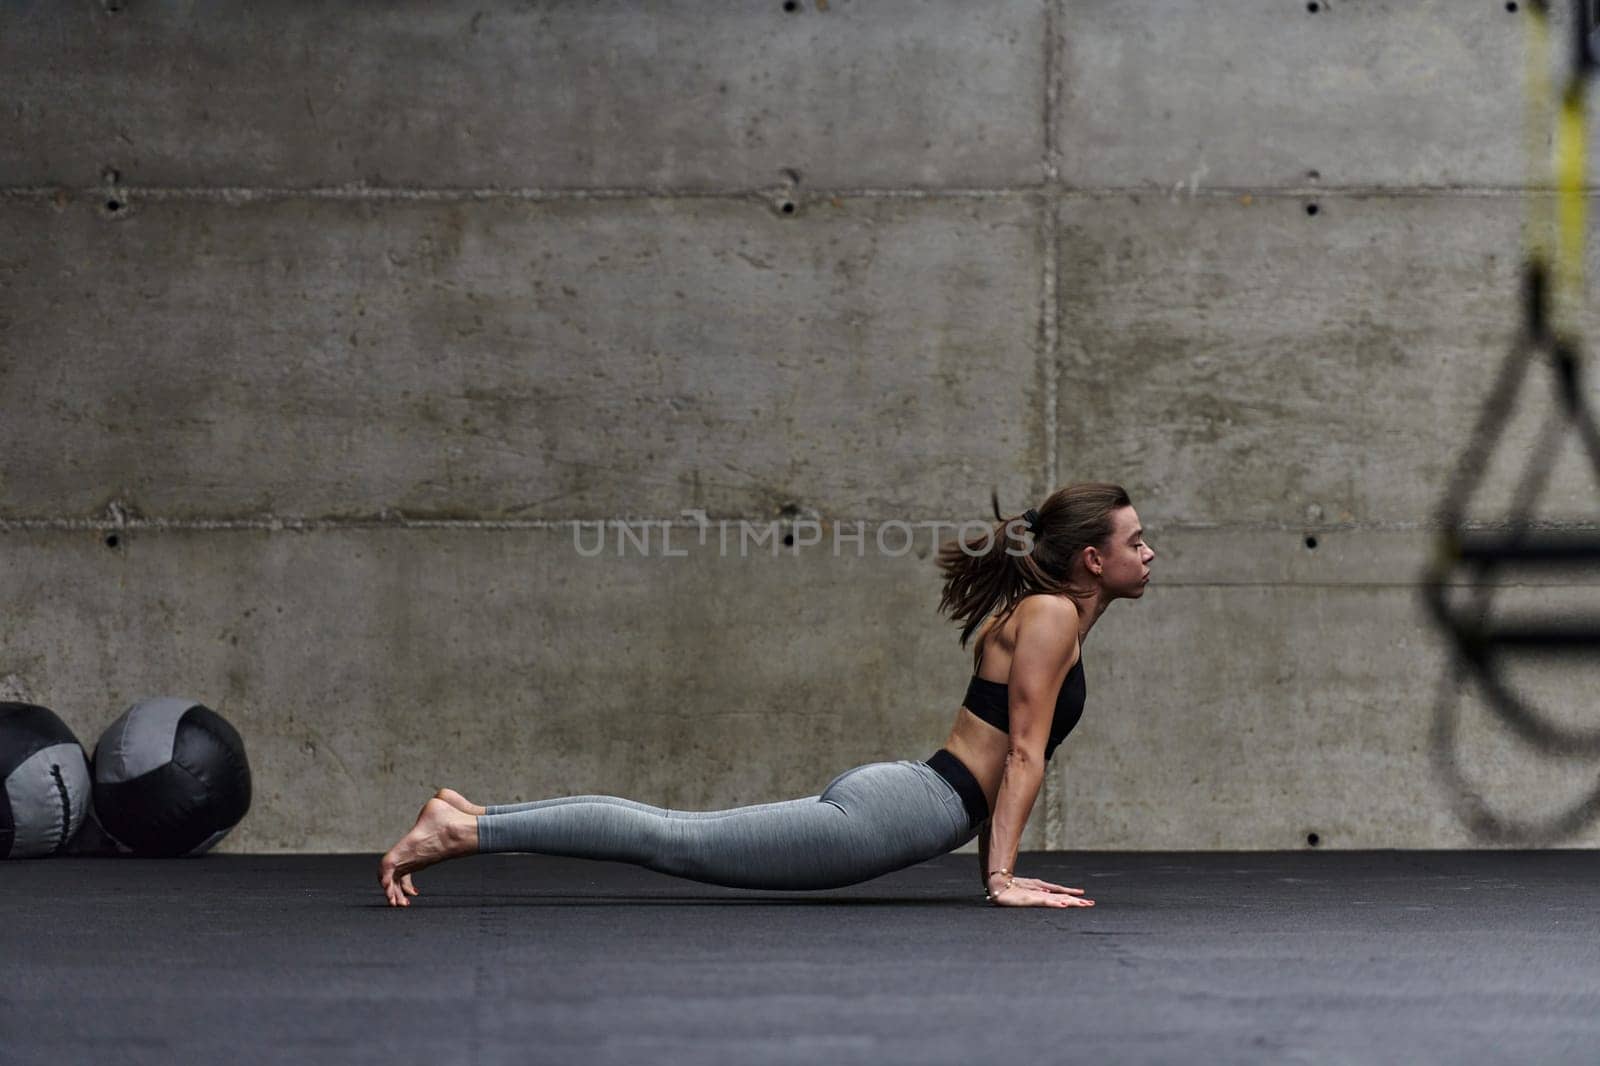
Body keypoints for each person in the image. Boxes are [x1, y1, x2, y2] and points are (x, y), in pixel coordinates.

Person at [378, 481, 1154, 908]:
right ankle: (468, 831)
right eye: (1137, 541)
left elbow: (1015, 754)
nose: (1150, 553)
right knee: (676, 840)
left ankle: (476, 818)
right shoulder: (1052, 615)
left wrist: (998, 867)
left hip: (913, 799)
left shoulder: (1053, 616)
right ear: (1092, 558)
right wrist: (999, 881)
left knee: (676, 834)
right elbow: (1021, 754)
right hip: (901, 812)